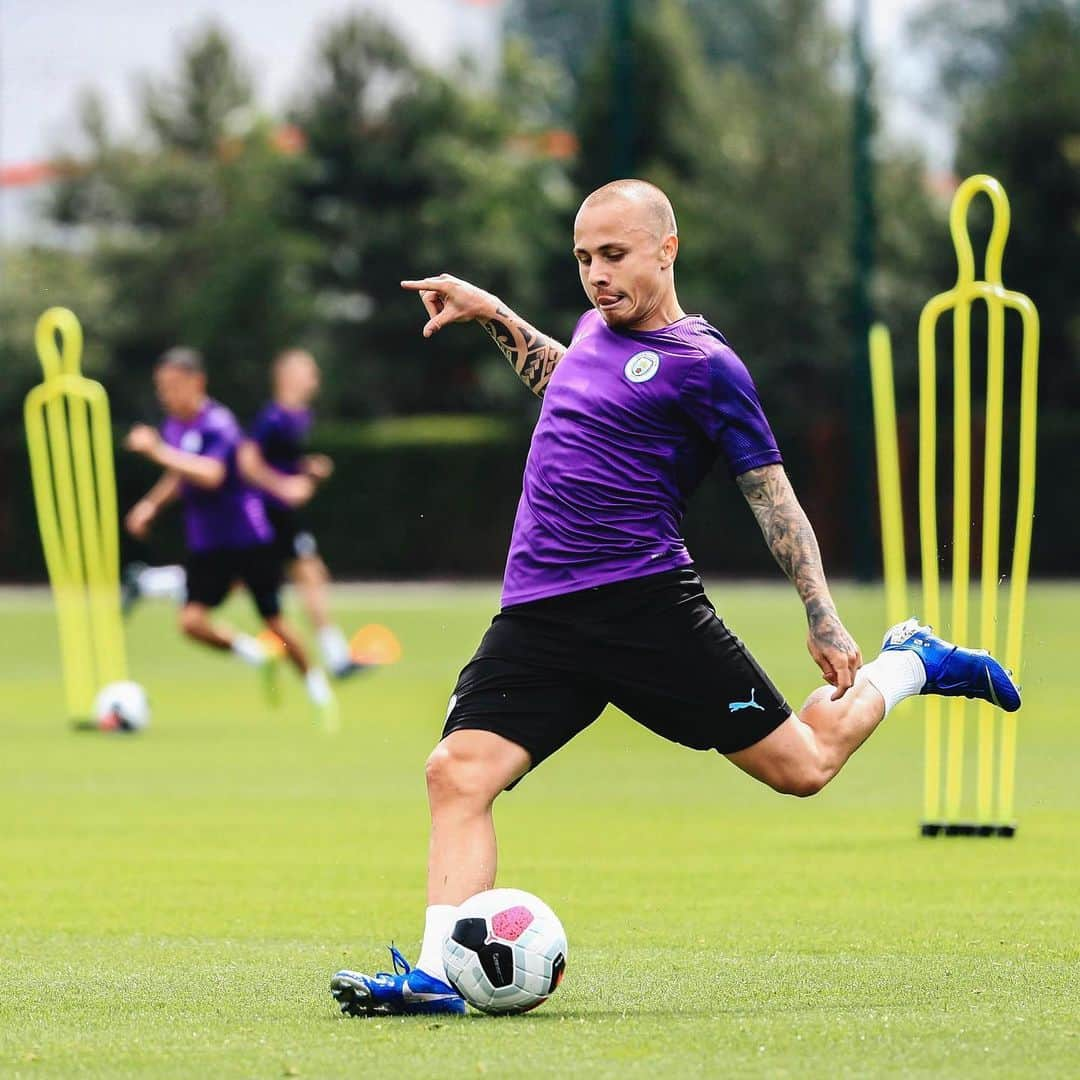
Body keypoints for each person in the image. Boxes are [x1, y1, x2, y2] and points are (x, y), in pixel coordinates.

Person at [330, 180, 1021, 1017]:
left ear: (668, 248)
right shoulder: (591, 330)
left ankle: (910, 662)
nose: (596, 275)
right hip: (539, 613)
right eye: (583, 258)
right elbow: (566, 378)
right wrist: (489, 312)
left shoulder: (706, 365)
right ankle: (440, 978)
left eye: (614, 256)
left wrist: (822, 612)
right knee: (455, 773)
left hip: (644, 608)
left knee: (802, 768)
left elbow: (772, 496)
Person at [123, 347, 336, 722]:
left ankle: (317, 688)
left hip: (247, 538)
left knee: (276, 621)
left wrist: (156, 451)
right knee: (191, 623)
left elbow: (211, 474)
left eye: (173, 386)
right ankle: (256, 655)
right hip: (207, 542)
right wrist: (151, 504)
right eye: (162, 388)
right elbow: (181, 473)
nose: (166, 395)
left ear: (196, 382)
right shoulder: (175, 426)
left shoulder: (219, 424)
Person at [238, 349, 363, 679]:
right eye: (309, 372)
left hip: (281, 516)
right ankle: (336, 658)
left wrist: (308, 470)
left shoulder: (299, 416)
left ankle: (336, 656)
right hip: (267, 514)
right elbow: (247, 461)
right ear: (287, 376)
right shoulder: (273, 417)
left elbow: (280, 461)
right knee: (241, 579)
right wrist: (284, 487)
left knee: (311, 574)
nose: (315, 380)